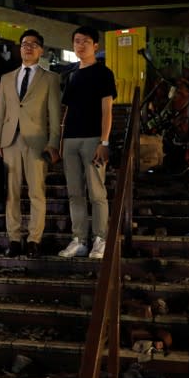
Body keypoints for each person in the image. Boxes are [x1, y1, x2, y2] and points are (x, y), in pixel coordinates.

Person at [0, 29, 61, 259]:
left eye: (33, 44)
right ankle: (14, 239)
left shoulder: (50, 78)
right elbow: (0, 112)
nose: (27, 47)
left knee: (36, 192)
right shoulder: (7, 78)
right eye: (24, 44)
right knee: (11, 193)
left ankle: (34, 240)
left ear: (41, 50)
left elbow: (54, 113)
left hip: (37, 142)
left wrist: (53, 143)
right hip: (10, 141)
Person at [58, 26, 116, 259]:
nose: (80, 45)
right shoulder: (72, 74)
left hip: (93, 138)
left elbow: (107, 109)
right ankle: (79, 239)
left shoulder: (104, 73)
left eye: (85, 41)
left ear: (96, 46)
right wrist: (61, 139)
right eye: (77, 41)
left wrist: (104, 141)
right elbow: (67, 109)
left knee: (96, 192)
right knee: (74, 193)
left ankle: (100, 239)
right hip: (71, 139)